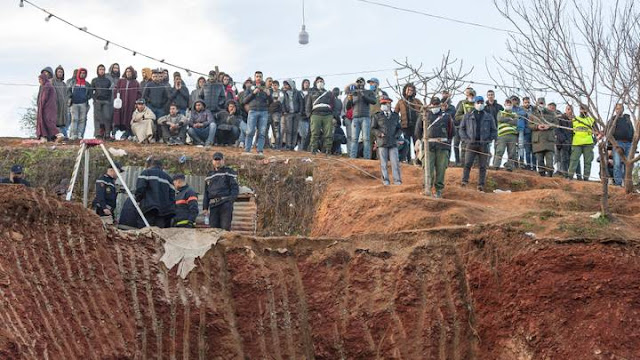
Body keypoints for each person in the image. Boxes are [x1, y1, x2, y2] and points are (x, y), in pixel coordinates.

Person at [415, 97, 455, 198]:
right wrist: (420, 142)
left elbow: (451, 132)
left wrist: (446, 142)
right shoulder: (424, 115)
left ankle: (439, 190)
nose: (435, 106)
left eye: (437, 104)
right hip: (428, 146)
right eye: (433, 104)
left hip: (442, 146)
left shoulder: (446, 116)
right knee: (428, 168)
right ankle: (427, 188)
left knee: (441, 169)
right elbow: (418, 130)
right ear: (430, 104)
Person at [459, 96, 497, 191]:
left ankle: (481, 184)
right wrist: (466, 139)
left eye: (481, 102)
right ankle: (464, 181)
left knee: (483, 166)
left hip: (483, 144)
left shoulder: (489, 116)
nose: (480, 104)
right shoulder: (467, 115)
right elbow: (462, 129)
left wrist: (489, 139)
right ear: (475, 103)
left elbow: (494, 130)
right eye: (478, 102)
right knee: (467, 163)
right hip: (471, 143)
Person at [134, 158, 175, 228]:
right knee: (159, 233)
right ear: (162, 167)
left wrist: (138, 200)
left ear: (151, 165)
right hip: (163, 211)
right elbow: (172, 197)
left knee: (144, 232)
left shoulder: (146, 173)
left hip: (148, 208)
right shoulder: (169, 179)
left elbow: (140, 188)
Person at [203, 152, 239, 230]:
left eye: (219, 159)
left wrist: (230, 201)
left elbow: (235, 189)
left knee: (225, 228)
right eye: (215, 160)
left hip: (225, 204)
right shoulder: (209, 175)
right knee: (213, 229)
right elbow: (206, 192)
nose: (217, 161)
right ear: (212, 161)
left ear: (223, 160)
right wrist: (205, 207)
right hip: (213, 206)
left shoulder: (229, 172)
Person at [371, 95, 402, 185]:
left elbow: (399, 128)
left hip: (393, 142)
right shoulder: (377, 116)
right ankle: (385, 181)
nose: (383, 105)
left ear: (389, 104)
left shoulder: (395, 116)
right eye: (382, 103)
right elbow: (373, 128)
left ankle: (397, 181)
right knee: (383, 163)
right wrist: (379, 134)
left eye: (385, 103)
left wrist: (396, 136)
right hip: (382, 142)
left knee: (395, 163)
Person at [346, 77, 377, 159]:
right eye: (358, 82)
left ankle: (367, 158)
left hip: (365, 117)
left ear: (364, 83)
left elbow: (374, 101)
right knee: (354, 139)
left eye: (361, 81)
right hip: (355, 118)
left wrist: (363, 95)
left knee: (366, 139)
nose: (360, 83)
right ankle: (352, 157)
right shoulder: (354, 93)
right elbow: (348, 107)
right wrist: (350, 99)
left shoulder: (368, 92)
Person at [306, 76, 338, 155]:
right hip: (315, 115)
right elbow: (308, 105)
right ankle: (313, 150)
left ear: (324, 83)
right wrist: (309, 115)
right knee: (315, 133)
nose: (320, 83)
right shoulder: (312, 93)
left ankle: (327, 150)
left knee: (328, 134)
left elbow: (334, 105)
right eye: (318, 81)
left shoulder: (329, 93)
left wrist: (333, 116)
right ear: (316, 83)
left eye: (321, 81)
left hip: (327, 115)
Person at [242, 71, 272, 154]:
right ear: (255, 77)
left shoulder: (266, 88)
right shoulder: (250, 87)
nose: (258, 78)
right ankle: (247, 150)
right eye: (257, 76)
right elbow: (244, 101)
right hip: (253, 111)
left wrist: (269, 95)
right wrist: (253, 93)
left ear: (262, 78)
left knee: (262, 132)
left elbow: (271, 102)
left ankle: (260, 151)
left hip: (264, 112)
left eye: (260, 76)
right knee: (250, 131)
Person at [529, 97, 558, 177]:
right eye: (539, 103)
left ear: (545, 104)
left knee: (550, 161)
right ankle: (542, 175)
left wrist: (548, 126)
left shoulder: (551, 113)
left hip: (549, 141)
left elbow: (556, 123)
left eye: (542, 103)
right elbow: (529, 125)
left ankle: (550, 175)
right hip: (537, 141)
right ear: (537, 104)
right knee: (540, 160)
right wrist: (537, 126)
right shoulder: (533, 114)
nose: (541, 105)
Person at [395, 83, 423, 163]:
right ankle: (408, 159)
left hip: (416, 126)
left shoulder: (417, 101)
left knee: (417, 143)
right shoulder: (401, 102)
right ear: (405, 91)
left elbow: (423, 110)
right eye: (408, 90)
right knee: (407, 143)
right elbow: (395, 113)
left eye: (411, 90)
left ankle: (418, 159)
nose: (410, 91)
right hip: (405, 126)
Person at [568, 104, 597, 181]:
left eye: (585, 109)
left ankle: (586, 178)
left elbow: (597, 132)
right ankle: (570, 176)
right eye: (582, 109)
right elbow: (569, 132)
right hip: (576, 143)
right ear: (579, 110)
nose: (583, 111)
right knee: (574, 160)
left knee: (588, 162)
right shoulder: (574, 120)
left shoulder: (591, 120)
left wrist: (594, 141)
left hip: (588, 143)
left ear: (587, 110)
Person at [113, 66, 141, 139]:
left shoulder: (136, 83)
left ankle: (127, 133)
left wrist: (136, 103)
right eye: (127, 71)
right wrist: (117, 97)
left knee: (129, 118)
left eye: (130, 72)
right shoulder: (121, 81)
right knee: (118, 117)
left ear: (132, 73)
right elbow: (116, 89)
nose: (128, 73)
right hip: (120, 103)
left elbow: (139, 94)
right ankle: (113, 133)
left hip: (130, 104)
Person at [492, 99, 519, 171]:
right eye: (507, 103)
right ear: (504, 104)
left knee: (512, 152)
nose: (508, 105)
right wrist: (509, 118)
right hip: (502, 135)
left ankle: (510, 167)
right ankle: (496, 165)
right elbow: (500, 119)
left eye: (510, 104)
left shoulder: (515, 114)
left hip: (512, 135)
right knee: (500, 150)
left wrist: (506, 119)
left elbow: (515, 122)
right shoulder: (500, 112)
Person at [143, 69, 170, 140]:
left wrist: (162, 104)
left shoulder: (163, 86)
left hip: (160, 108)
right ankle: (151, 137)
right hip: (151, 107)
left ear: (159, 77)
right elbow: (144, 96)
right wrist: (150, 101)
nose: (155, 78)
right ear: (152, 77)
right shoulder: (149, 85)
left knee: (160, 122)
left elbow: (166, 97)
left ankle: (160, 137)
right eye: (154, 76)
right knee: (151, 122)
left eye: (157, 76)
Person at [611, 104, 634, 186]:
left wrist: (633, 142)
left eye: (620, 108)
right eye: (616, 109)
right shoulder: (613, 119)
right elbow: (607, 130)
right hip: (618, 142)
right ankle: (618, 184)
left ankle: (627, 183)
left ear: (623, 109)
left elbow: (632, 130)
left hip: (628, 143)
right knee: (617, 163)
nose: (618, 110)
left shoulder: (627, 119)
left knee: (628, 164)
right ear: (615, 110)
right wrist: (613, 142)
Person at [36, 73, 63, 142]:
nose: (39, 81)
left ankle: (58, 135)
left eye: (40, 79)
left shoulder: (47, 86)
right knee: (46, 121)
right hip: (49, 107)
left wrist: (40, 107)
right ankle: (45, 137)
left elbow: (44, 98)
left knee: (48, 121)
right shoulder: (46, 85)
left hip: (47, 108)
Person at [67, 68, 92, 140]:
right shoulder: (73, 82)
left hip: (83, 104)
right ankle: (72, 135)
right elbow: (68, 90)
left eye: (84, 73)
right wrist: (71, 97)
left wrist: (86, 98)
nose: (82, 74)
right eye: (81, 73)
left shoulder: (87, 84)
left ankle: (80, 135)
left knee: (82, 120)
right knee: (74, 119)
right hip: (74, 104)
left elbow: (90, 94)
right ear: (78, 73)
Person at [454, 88, 477, 166]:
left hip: (474, 129)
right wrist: (467, 116)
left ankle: (473, 163)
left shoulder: (478, 104)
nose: (471, 96)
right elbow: (457, 116)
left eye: (472, 95)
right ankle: (461, 162)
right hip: (463, 128)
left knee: (473, 146)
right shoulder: (462, 103)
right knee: (462, 145)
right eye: (469, 94)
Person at [91, 64, 114, 139]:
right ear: (97, 71)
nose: (101, 71)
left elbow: (110, 91)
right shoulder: (94, 80)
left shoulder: (107, 81)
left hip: (106, 101)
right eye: (100, 69)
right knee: (97, 118)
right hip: (97, 101)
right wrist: (95, 100)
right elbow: (91, 91)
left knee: (107, 117)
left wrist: (109, 100)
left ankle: (107, 134)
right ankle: (98, 134)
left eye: (103, 69)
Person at [282, 79, 305, 150]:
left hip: (296, 114)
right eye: (284, 84)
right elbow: (283, 103)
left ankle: (292, 146)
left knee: (295, 131)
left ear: (290, 84)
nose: (285, 86)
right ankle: (288, 145)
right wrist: (284, 111)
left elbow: (301, 102)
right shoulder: (284, 93)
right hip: (288, 114)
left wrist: (300, 112)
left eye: (286, 84)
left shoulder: (297, 93)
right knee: (288, 130)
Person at [556, 104, 575, 177]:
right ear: (565, 110)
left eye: (571, 110)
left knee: (571, 160)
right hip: (563, 142)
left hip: (573, 142)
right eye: (568, 109)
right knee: (563, 159)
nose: (570, 111)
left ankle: (570, 175)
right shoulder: (560, 118)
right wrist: (564, 140)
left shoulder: (575, 119)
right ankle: (565, 174)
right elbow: (557, 130)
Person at [52, 65, 68, 135]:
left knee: (62, 122)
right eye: (58, 72)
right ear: (56, 73)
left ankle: (64, 136)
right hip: (55, 105)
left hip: (63, 106)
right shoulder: (52, 82)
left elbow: (66, 95)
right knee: (55, 121)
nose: (60, 73)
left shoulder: (64, 84)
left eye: (61, 72)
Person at [268, 80, 284, 149]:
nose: (274, 86)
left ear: (278, 86)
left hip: (277, 113)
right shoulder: (269, 92)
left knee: (277, 129)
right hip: (269, 112)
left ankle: (278, 146)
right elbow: (268, 101)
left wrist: (272, 104)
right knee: (266, 129)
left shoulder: (281, 93)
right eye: (273, 85)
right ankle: (269, 145)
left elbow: (280, 102)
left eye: (275, 85)